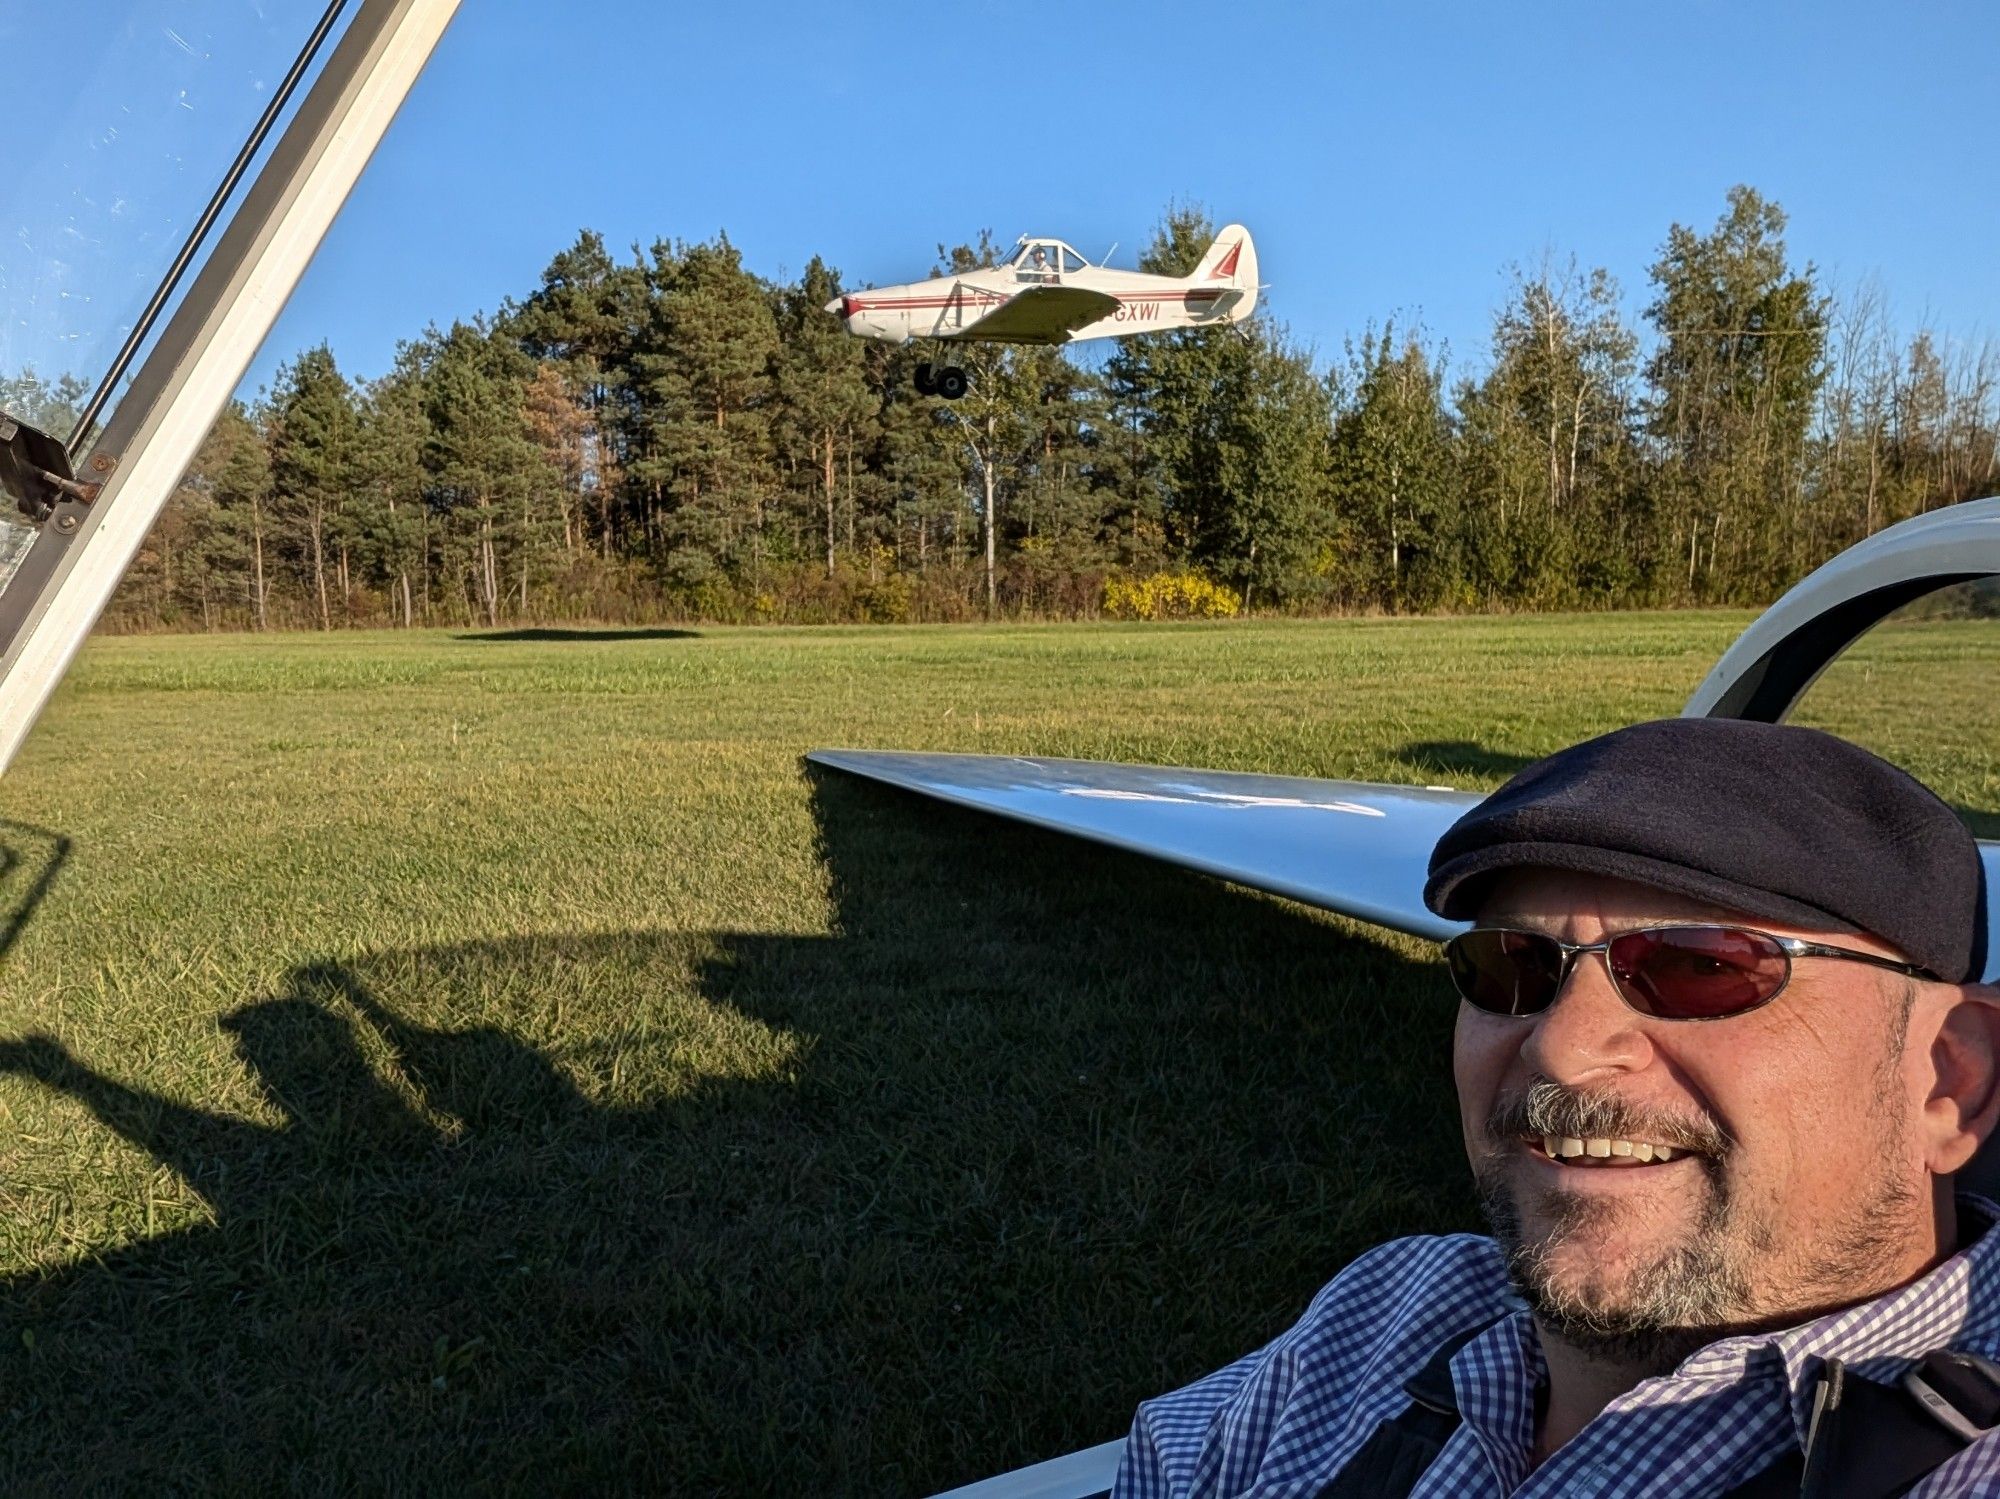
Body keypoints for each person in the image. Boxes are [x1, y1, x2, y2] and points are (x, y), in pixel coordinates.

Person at [1113, 718, 2000, 1498]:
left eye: (1702, 966)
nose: (1559, 1046)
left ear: (1948, 1079)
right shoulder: (1391, 1309)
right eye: (1513, 966)